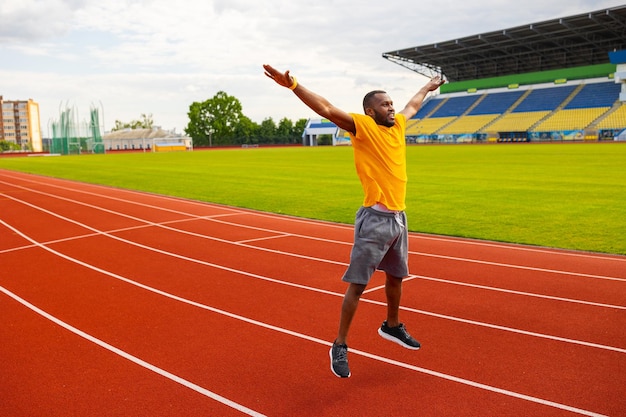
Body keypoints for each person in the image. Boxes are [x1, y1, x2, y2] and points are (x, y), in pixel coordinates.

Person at [263, 64, 444, 378]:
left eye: (391, 103)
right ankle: (340, 344)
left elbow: (412, 104)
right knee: (358, 286)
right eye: (385, 104)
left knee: (396, 279)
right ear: (370, 112)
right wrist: (293, 85)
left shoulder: (399, 124)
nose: (392, 107)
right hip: (374, 219)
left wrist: (428, 87)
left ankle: (391, 325)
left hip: (399, 218)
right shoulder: (362, 126)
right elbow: (327, 108)